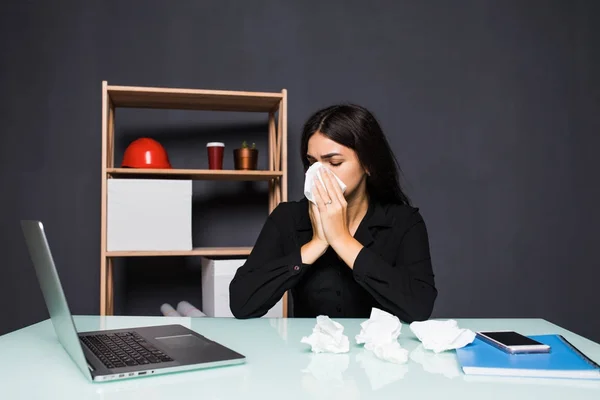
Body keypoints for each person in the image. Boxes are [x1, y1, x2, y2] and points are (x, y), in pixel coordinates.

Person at [229, 104, 437, 323]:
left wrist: (342, 240)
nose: (319, 173)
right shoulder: (288, 217)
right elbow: (242, 303)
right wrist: (316, 244)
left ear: (368, 165)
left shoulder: (403, 221)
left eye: (334, 162)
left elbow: (419, 307)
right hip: (312, 354)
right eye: (312, 163)